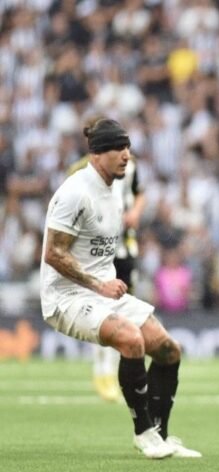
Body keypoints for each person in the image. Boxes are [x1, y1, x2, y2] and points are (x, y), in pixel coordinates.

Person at [40, 117, 201, 459]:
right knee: (131, 340)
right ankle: (143, 434)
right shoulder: (75, 192)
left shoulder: (115, 192)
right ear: (97, 153)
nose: (126, 154)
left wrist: (105, 284)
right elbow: (53, 253)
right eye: (118, 148)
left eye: (128, 147)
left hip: (103, 291)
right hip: (66, 297)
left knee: (169, 350)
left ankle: (160, 435)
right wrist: (98, 284)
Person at [66, 151, 146, 401]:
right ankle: (102, 370)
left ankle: (115, 372)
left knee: (124, 309)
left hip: (125, 248)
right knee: (101, 309)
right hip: (97, 251)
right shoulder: (81, 170)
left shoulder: (130, 166)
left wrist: (135, 213)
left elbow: (139, 193)